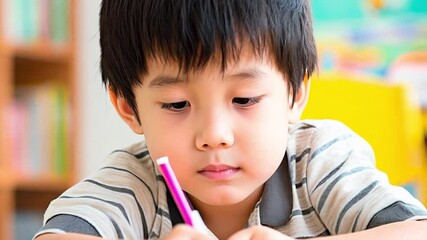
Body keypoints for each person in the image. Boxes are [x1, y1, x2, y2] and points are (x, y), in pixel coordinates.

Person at [35, 0, 427, 239]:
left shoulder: (321, 161)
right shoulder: (133, 183)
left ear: (296, 94)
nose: (214, 136)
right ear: (128, 107)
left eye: (244, 98)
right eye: (175, 104)